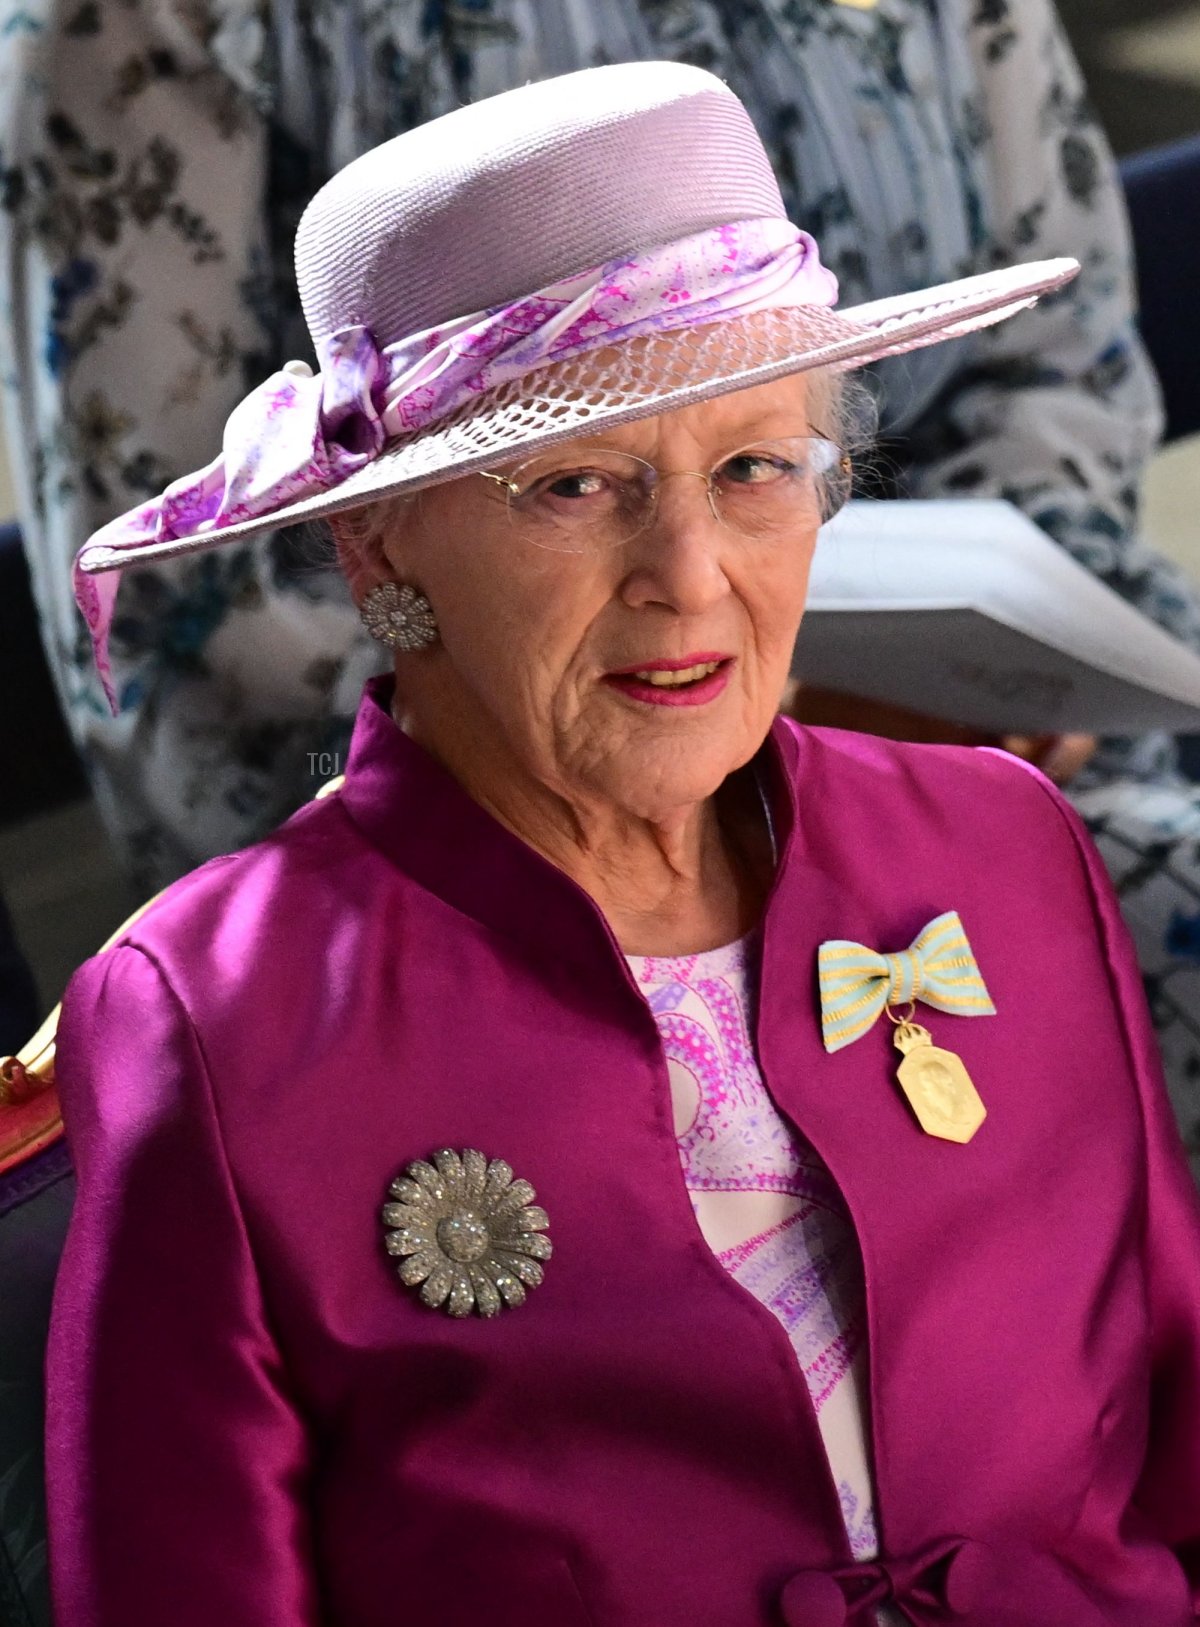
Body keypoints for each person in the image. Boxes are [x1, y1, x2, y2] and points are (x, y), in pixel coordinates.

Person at [47, 62, 1200, 1627]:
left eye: (750, 469)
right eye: (577, 484)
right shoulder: (214, 1016)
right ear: (378, 539)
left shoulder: (1005, 845)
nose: (690, 575)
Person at [6, 0, 1200, 1155]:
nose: (684, 571)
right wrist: (771, 726)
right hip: (480, 867)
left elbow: (1056, 371)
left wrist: (973, 681)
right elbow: (201, 641)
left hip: (1010, 765)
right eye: (569, 484)